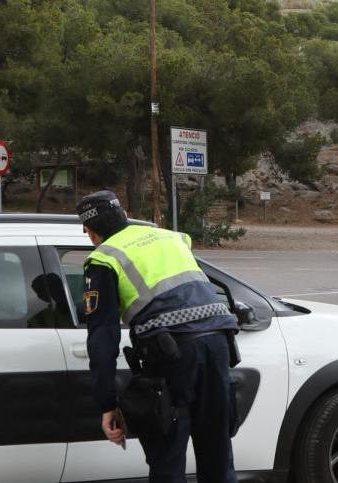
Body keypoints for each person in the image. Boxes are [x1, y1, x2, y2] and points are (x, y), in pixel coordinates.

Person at [76, 190, 239, 483]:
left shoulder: (104, 258)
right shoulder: (170, 237)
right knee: (218, 454)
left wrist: (107, 403)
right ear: (124, 215)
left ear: (90, 231)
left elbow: (103, 337)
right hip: (218, 345)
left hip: (172, 356)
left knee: (167, 457)